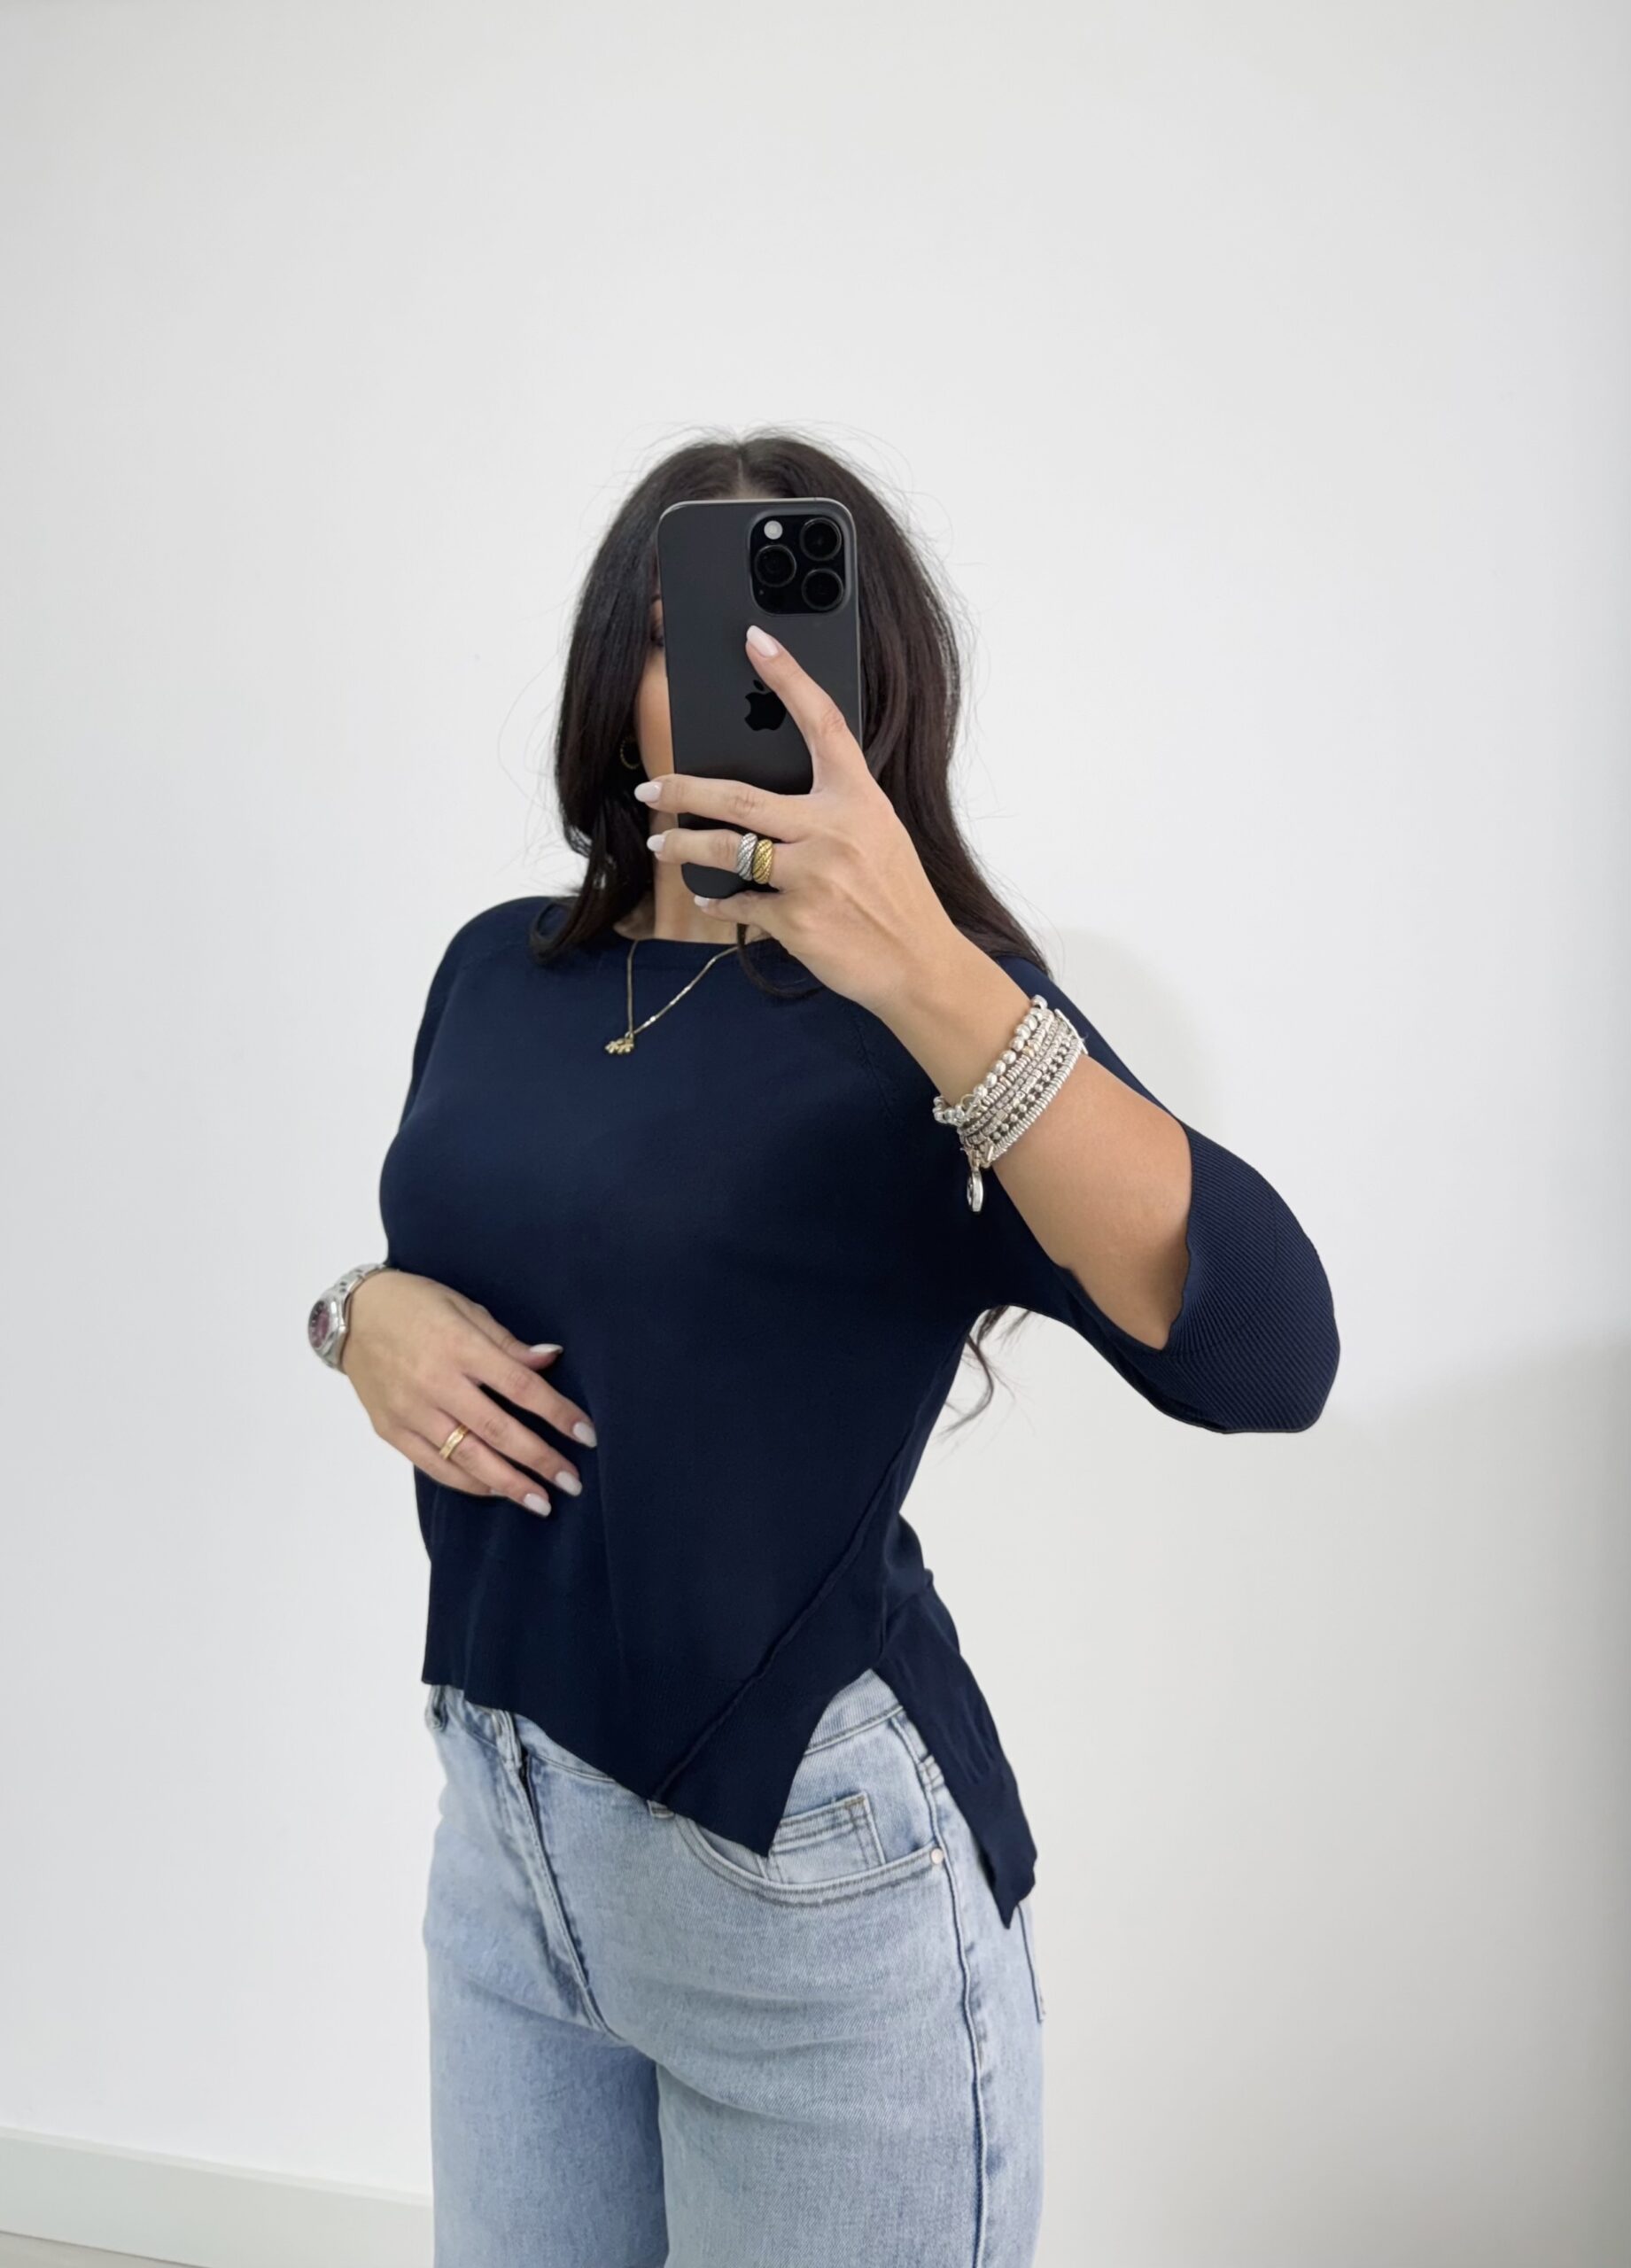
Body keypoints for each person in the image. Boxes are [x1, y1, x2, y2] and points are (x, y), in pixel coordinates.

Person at [306, 431, 1340, 2268]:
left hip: (806, 1874)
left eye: (801, 626)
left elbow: (1264, 1351)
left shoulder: (936, 1017)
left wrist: (928, 969)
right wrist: (351, 1316)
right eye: (688, 625)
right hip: (503, 1851)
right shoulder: (497, 970)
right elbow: (478, 1261)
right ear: (614, 675)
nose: (750, 671)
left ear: (877, 679)